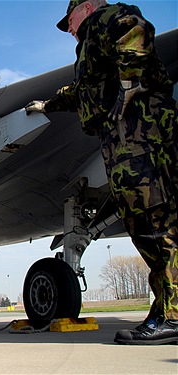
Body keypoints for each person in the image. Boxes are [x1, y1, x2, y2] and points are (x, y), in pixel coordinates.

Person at [25, 0, 178, 345]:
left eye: (71, 20)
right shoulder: (91, 45)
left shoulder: (106, 18)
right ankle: (167, 309)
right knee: (145, 225)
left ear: (88, 6)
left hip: (140, 136)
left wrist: (128, 85)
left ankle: (172, 315)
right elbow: (84, 93)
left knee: (156, 223)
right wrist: (48, 105)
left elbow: (135, 33)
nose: (70, 29)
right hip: (125, 141)